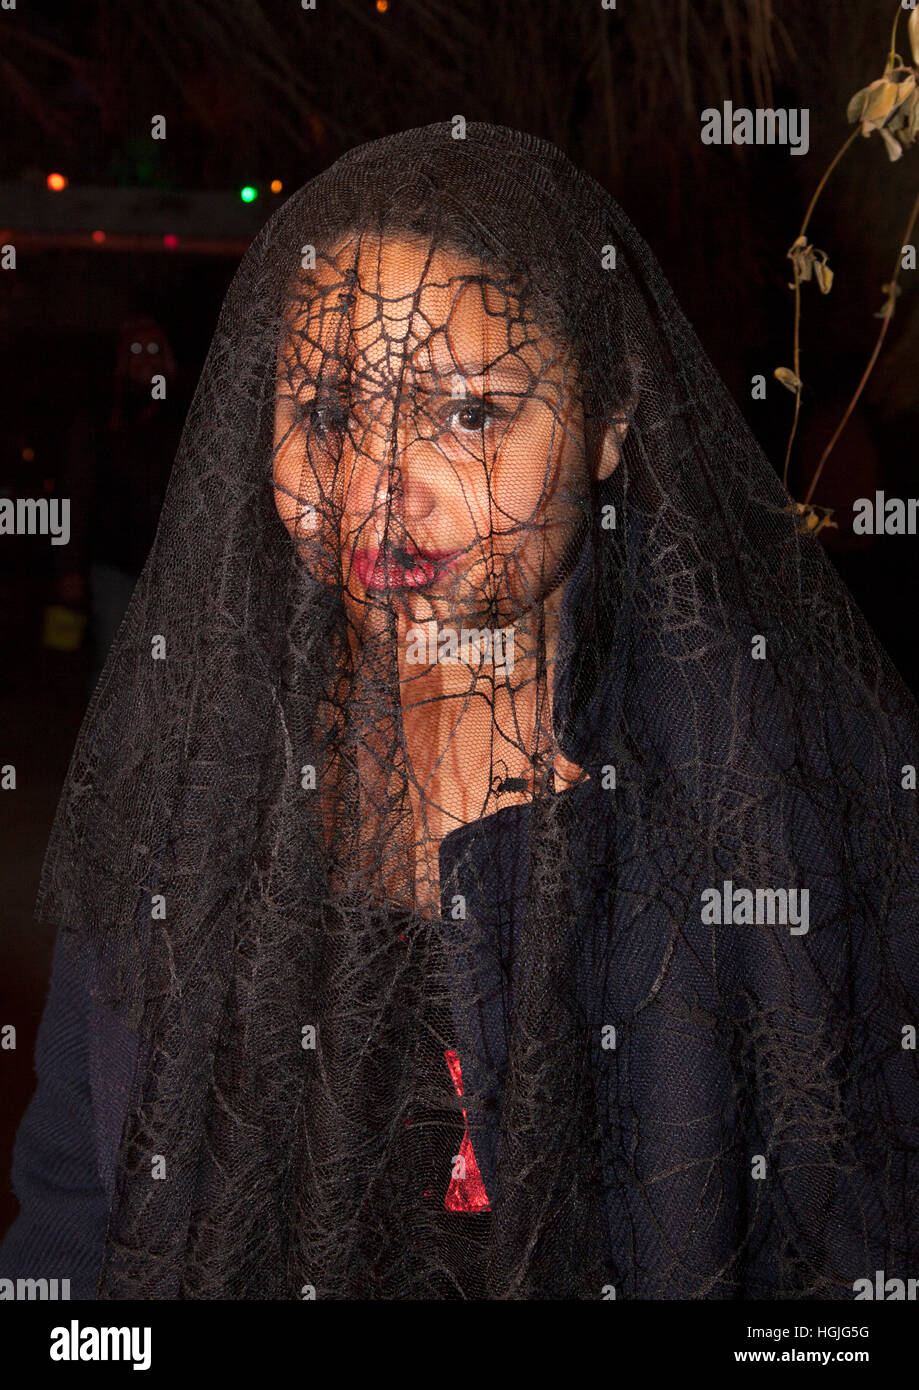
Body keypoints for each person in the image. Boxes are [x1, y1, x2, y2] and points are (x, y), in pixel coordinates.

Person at [1, 121, 917, 1300]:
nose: (379, 496)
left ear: (606, 417)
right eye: (326, 415)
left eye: (469, 415)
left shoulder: (771, 789)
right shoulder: (203, 757)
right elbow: (76, 1197)